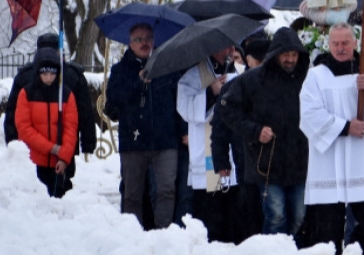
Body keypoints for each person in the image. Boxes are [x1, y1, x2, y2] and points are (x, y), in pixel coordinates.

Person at [300, 22, 364, 255]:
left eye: (345, 43)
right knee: (327, 230)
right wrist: (346, 127)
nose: (340, 48)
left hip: (361, 160)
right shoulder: (316, 75)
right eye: (335, 43)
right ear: (328, 44)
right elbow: (308, 114)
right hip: (329, 162)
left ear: (355, 43)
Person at [216, 27, 311, 238]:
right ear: (275, 54)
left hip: (299, 161)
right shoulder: (253, 79)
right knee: (275, 216)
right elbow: (225, 107)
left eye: (294, 55)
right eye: (286, 54)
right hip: (267, 161)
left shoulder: (306, 79)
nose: (290, 59)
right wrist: (254, 131)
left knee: (299, 216)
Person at [104, 23, 184, 230]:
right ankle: (133, 235)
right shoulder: (120, 70)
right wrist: (138, 82)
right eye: (139, 39)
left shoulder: (167, 67)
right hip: (134, 142)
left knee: (166, 191)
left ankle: (163, 233)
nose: (144, 43)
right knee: (132, 194)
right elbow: (114, 100)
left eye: (148, 38)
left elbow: (180, 100)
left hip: (165, 140)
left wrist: (182, 130)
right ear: (130, 43)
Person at [4, 33, 97, 185]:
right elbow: (86, 113)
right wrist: (88, 143)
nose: (48, 77)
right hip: (40, 150)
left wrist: (12, 143)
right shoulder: (73, 75)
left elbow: (76, 118)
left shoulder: (65, 81)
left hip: (59, 151)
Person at [178, 45, 241, 242]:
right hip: (205, 153)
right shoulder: (193, 75)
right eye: (225, 46)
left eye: (232, 46)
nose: (230, 50)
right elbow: (184, 109)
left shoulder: (240, 72)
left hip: (234, 153)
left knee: (234, 216)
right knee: (210, 217)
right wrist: (211, 92)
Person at [14, 48, 79, 197]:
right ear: (38, 73)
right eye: (45, 74)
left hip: (59, 163)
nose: (49, 78)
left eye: (52, 74)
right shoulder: (27, 93)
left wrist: (64, 156)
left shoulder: (66, 95)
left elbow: (71, 128)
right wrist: (52, 148)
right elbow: (24, 128)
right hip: (34, 162)